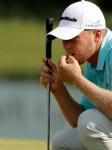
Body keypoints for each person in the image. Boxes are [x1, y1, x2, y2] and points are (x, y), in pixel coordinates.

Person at [40, 0, 112, 149]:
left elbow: (90, 123)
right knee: (63, 142)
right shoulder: (93, 61)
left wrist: (78, 80)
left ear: (97, 35)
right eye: (64, 39)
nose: (66, 46)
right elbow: (78, 123)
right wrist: (58, 88)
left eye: (73, 38)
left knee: (89, 121)